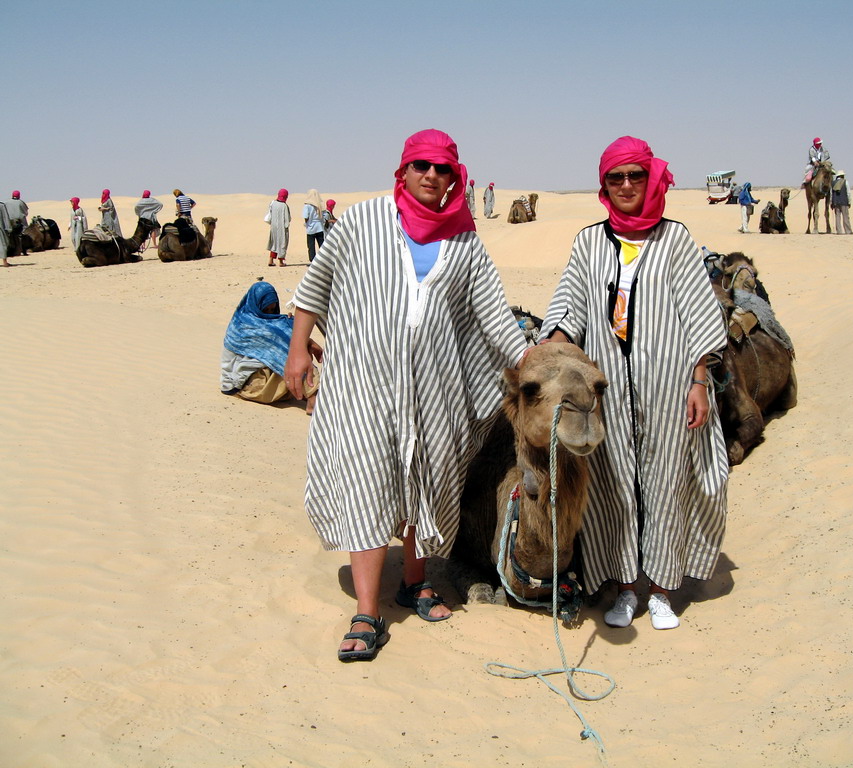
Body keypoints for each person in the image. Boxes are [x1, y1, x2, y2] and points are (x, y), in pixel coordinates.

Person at [284, 129, 527, 662]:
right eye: (420, 165)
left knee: (427, 479)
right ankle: (367, 612)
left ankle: (414, 583)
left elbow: (492, 317)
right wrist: (298, 349)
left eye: (441, 169)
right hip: (364, 384)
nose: (430, 176)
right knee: (369, 482)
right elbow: (314, 286)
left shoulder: (464, 242)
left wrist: (534, 366)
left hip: (435, 389)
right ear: (403, 169)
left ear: (453, 178)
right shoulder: (362, 222)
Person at [540, 136, 729, 631]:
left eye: (635, 176)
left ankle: (663, 588)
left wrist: (699, 380)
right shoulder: (588, 242)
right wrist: (545, 352)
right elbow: (568, 309)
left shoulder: (676, 239)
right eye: (615, 178)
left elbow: (698, 315)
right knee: (615, 483)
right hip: (607, 393)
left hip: (669, 383)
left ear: (652, 179)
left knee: (667, 480)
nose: (626, 185)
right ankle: (626, 586)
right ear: (603, 185)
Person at [221, 281, 320, 413]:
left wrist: (288, 323)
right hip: (247, 387)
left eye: (272, 310)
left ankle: (309, 392)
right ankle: (313, 398)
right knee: (293, 352)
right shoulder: (244, 324)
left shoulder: (249, 319)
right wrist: (290, 327)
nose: (269, 313)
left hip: (254, 383)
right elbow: (280, 337)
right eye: (265, 310)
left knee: (294, 345)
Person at [266, 189, 291, 266]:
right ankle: (281, 261)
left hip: (273, 227)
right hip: (282, 228)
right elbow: (287, 219)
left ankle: (271, 260)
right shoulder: (284, 206)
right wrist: (286, 227)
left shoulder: (273, 203)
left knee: (274, 243)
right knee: (282, 243)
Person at [302, 189, 325, 263]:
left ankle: (313, 260)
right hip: (320, 227)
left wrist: (306, 223)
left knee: (311, 245)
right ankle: (323, 259)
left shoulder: (307, 206)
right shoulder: (320, 204)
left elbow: (306, 216)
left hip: (311, 228)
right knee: (321, 244)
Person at [5, 190, 29, 259]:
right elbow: (25, 212)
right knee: (24, 233)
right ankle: (24, 250)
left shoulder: (6, 202)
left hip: (8, 222)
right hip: (19, 222)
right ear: (19, 195)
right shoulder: (21, 202)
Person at [0, 199, 11, 267]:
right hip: (1, 229)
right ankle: (5, 262)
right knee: (3, 244)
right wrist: (9, 228)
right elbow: (5, 218)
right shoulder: (1, 205)